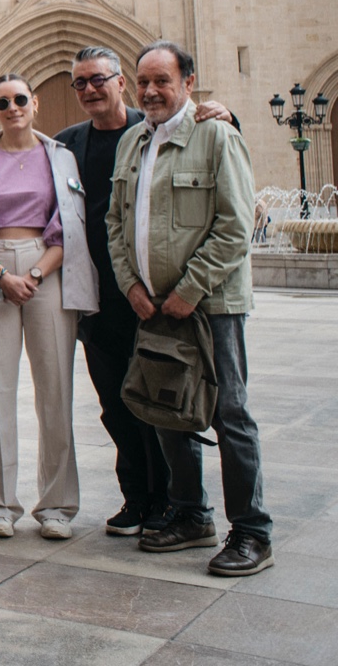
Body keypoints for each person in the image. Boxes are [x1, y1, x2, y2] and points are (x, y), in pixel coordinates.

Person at [56, 46, 243, 536]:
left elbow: (230, 207)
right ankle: (142, 498)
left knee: (183, 405)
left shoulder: (172, 128)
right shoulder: (71, 144)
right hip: (109, 296)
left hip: (175, 301)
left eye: (100, 79)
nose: (90, 89)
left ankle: (186, 508)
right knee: (122, 403)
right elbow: (111, 220)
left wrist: (229, 114)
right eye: (79, 82)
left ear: (120, 82)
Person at [107, 41, 270, 576]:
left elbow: (234, 225)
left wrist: (190, 291)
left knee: (230, 414)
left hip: (210, 307)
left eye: (162, 80)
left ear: (188, 82)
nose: (151, 91)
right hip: (152, 307)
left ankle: (250, 531)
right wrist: (132, 285)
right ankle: (191, 514)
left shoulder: (216, 135)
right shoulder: (134, 141)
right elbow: (116, 222)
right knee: (166, 408)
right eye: (144, 82)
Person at [0, 75, 98, 539]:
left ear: (34, 104)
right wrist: (1, 275)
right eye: (2, 102)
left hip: (47, 270)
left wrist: (33, 275)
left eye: (19, 99)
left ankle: (56, 505)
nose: (12, 107)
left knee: (55, 390)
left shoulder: (60, 156)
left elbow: (70, 227)